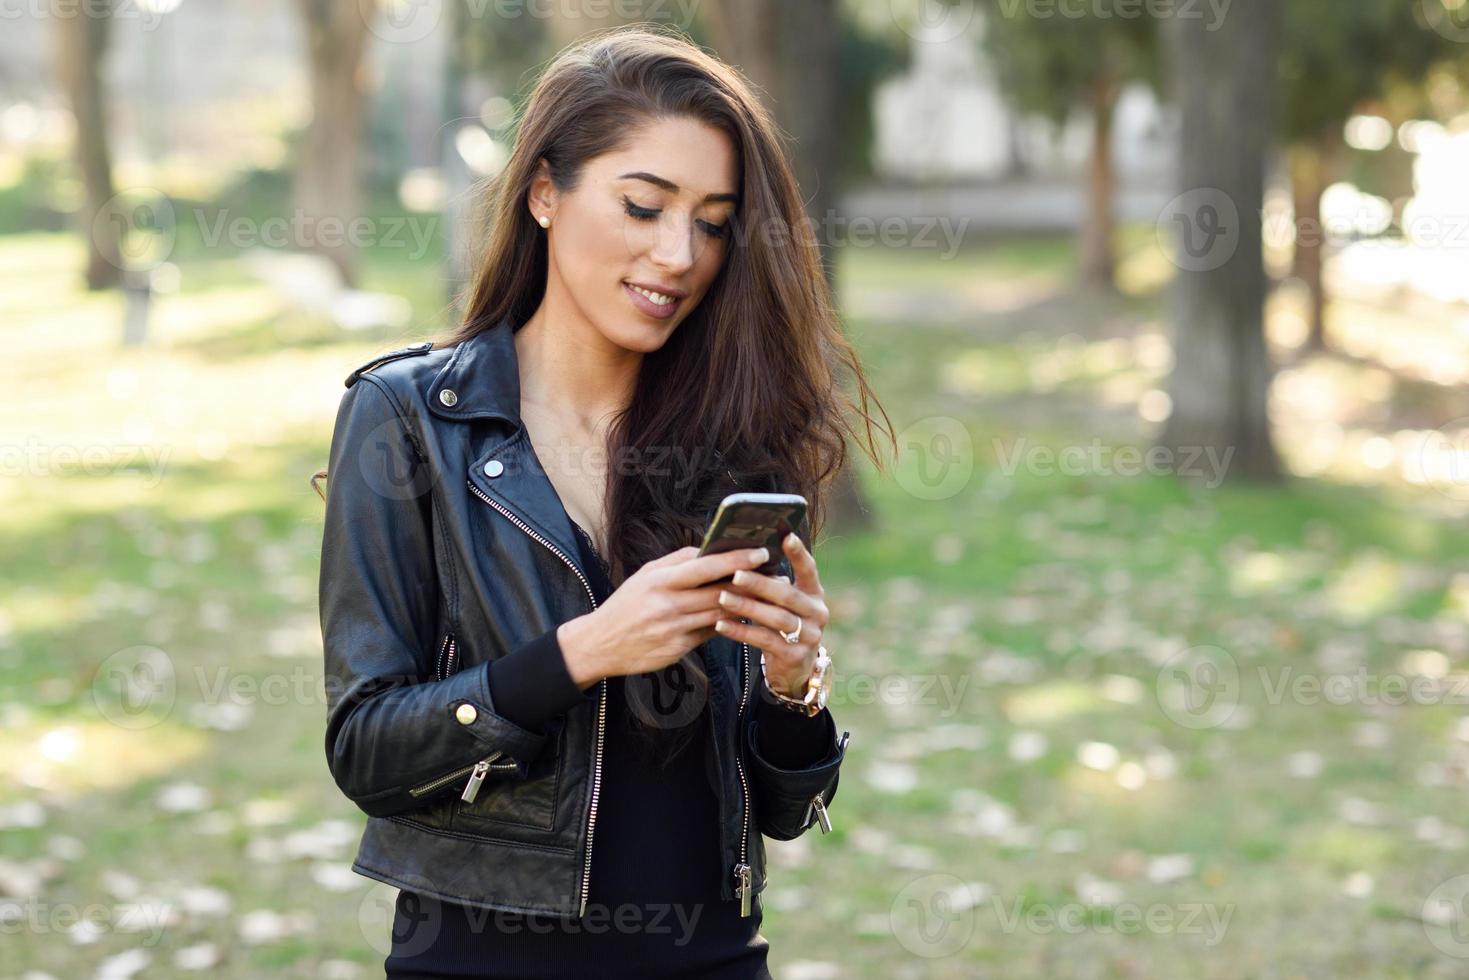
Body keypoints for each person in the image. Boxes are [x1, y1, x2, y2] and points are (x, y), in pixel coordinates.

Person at [315, 24, 892, 978]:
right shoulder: (408, 419)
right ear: (545, 192)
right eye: (642, 206)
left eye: (712, 221)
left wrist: (796, 686)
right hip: (479, 960)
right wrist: (581, 653)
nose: (679, 254)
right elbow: (366, 749)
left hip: (709, 954)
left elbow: (782, 813)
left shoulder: (730, 435)